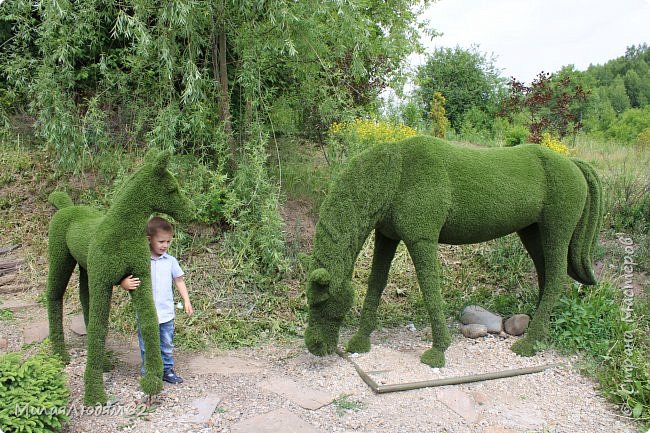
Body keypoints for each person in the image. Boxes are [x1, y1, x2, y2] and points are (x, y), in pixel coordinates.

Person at [120, 216, 193, 384]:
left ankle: (167, 370)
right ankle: (149, 371)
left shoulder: (170, 261)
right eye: (161, 241)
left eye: (168, 242)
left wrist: (186, 300)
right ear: (149, 239)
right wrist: (124, 283)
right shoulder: (140, 260)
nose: (165, 245)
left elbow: (179, 280)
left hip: (166, 313)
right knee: (147, 344)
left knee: (166, 345)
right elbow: (124, 275)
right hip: (146, 313)